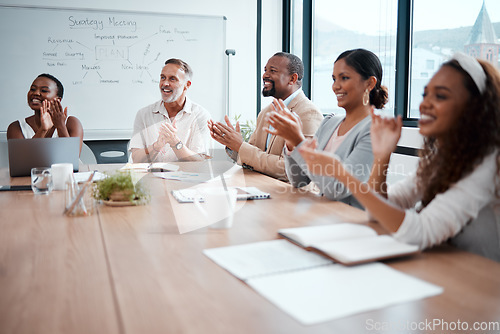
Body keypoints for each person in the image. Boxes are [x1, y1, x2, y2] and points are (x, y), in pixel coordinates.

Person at [298, 53, 500, 261]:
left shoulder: (488, 163)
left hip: (482, 277)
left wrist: (341, 172)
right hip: (448, 265)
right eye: (425, 95)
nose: (424, 105)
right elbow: (376, 212)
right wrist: (381, 157)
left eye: (440, 96)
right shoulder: (443, 158)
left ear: (474, 108)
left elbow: (419, 232)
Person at [267, 49, 388, 208]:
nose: (336, 86)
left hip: (352, 221)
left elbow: (337, 189)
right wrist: (291, 144)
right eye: (334, 79)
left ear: (370, 83)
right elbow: (299, 180)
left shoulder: (375, 129)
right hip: (323, 215)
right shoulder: (330, 122)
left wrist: (299, 142)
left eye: (344, 78)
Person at [207, 52, 323, 181]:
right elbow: (252, 157)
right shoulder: (266, 112)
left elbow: (289, 170)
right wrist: (232, 143)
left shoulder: (309, 114)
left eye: (272, 71)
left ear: (292, 79)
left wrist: (241, 146)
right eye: (265, 70)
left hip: (287, 195)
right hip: (261, 188)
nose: (265, 75)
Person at [129, 58, 211, 162]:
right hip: (151, 177)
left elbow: (200, 161)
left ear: (187, 85)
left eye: (172, 79)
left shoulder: (201, 115)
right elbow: (136, 158)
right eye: (163, 78)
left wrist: (175, 143)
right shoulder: (143, 114)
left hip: (185, 177)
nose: (165, 83)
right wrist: (156, 146)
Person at [7, 73, 84, 153]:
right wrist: (43, 130)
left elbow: (71, 157)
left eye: (44, 90)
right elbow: (22, 160)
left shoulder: (72, 123)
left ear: (58, 100)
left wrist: (60, 125)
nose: (36, 93)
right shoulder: (16, 127)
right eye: (32, 89)